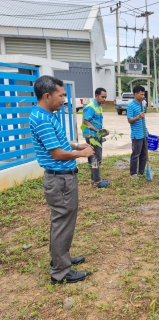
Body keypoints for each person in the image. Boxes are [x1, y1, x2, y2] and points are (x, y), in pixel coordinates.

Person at [29, 75, 94, 284]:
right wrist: (82, 154)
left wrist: (77, 146)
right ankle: (60, 271)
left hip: (62, 178)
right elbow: (57, 154)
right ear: (47, 96)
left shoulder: (48, 114)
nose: (64, 99)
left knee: (63, 221)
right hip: (60, 180)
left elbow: (61, 143)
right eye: (61, 95)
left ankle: (61, 259)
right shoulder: (42, 118)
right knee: (62, 222)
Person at [82, 87, 110, 188]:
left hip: (96, 135)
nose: (104, 99)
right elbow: (85, 121)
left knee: (95, 157)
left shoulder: (98, 106)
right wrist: (96, 131)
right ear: (96, 96)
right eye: (102, 97)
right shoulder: (91, 107)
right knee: (95, 157)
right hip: (91, 135)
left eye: (105, 97)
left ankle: (94, 179)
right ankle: (97, 181)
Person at [127, 85, 149, 178]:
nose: (143, 96)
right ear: (135, 94)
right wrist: (138, 117)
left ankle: (141, 171)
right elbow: (130, 120)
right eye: (141, 94)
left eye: (144, 94)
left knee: (144, 153)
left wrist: (147, 130)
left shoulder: (142, 104)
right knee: (136, 154)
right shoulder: (130, 105)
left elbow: (143, 119)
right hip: (136, 134)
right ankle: (133, 173)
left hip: (144, 133)